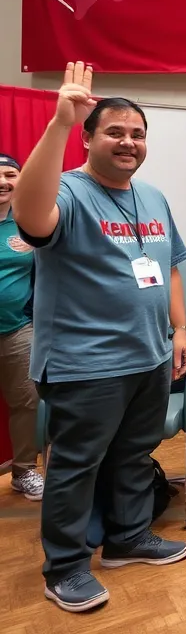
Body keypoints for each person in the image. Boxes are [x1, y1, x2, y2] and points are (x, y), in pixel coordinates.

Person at [13, 63, 186, 613]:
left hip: (150, 354)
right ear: (88, 137)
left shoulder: (155, 198)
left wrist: (181, 329)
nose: (128, 142)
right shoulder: (66, 190)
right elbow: (31, 218)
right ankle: (65, 567)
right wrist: (58, 124)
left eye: (137, 134)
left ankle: (126, 537)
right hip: (84, 363)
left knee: (135, 456)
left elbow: (174, 267)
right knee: (75, 466)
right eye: (114, 131)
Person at [0, 153, 41, 501]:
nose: (2, 182)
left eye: (10, 174)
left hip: (17, 328)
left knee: (26, 402)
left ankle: (24, 470)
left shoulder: (27, 220)